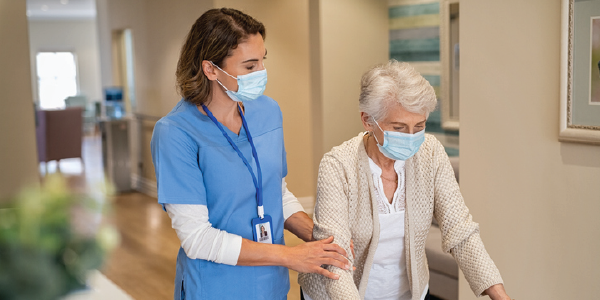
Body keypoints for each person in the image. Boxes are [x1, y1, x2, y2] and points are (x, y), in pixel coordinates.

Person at [151, 8, 349, 300]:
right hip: (215, 288)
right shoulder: (175, 133)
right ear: (211, 69)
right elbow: (197, 239)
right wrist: (290, 256)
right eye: (249, 65)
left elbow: (276, 192)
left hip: (272, 285)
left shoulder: (267, 112)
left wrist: (317, 235)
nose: (261, 73)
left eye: (262, 61)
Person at [299, 60, 511, 300]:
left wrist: (500, 295)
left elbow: (460, 230)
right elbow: (335, 259)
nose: (411, 138)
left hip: (408, 293)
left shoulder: (430, 153)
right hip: (341, 293)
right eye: (399, 127)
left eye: (419, 126)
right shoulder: (337, 165)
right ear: (368, 120)